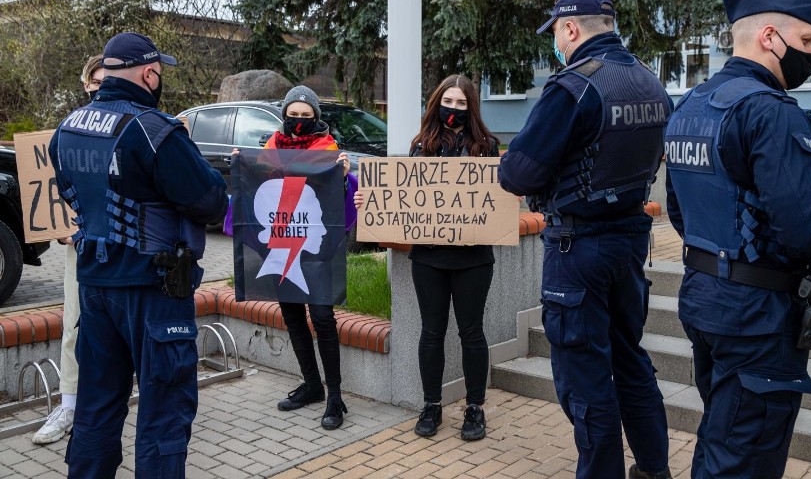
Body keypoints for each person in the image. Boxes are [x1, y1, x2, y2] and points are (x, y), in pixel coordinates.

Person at [665, 0, 811, 479]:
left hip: (705, 298)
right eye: (808, 41)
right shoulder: (770, 113)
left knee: (722, 437)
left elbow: (680, 213)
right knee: (743, 459)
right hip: (757, 317)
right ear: (771, 36)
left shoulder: (693, 105)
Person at [498, 0, 673, 479]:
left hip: (578, 250)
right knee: (631, 361)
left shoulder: (573, 86)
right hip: (630, 244)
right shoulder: (650, 83)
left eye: (555, 31)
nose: (555, 41)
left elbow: (518, 174)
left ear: (570, 29)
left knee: (586, 382)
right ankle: (654, 469)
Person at [48, 32, 228, 478]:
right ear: (150, 74)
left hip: (94, 290)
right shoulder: (154, 131)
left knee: (96, 407)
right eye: (159, 73)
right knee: (164, 413)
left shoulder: (67, 129)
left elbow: (74, 197)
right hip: (154, 290)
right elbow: (209, 200)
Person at [355, 74, 499, 440]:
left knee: (472, 333)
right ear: (437, 104)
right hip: (429, 260)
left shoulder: (487, 147)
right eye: (448, 102)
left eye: (462, 103)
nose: (454, 109)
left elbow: (499, 197)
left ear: (472, 107)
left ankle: (475, 409)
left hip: (474, 259)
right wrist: (369, 201)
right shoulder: (422, 147)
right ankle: (431, 405)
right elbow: (401, 199)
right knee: (431, 333)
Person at [234, 85, 352, 430]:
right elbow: (260, 189)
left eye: (306, 115)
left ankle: (335, 396)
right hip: (281, 241)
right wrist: (244, 165)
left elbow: (334, 203)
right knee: (292, 314)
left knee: (322, 317)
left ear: (316, 117)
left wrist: (342, 178)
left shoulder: (328, 150)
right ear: (285, 114)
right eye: (293, 114)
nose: (299, 121)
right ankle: (312, 385)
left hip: (313, 247)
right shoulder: (271, 147)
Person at [32, 54, 104, 446]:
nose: (100, 87)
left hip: (124, 251)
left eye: (107, 79)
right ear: (85, 85)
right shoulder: (67, 133)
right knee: (74, 327)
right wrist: (60, 228)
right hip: (80, 249)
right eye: (94, 80)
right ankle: (70, 406)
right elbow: (51, 196)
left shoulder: (134, 129)